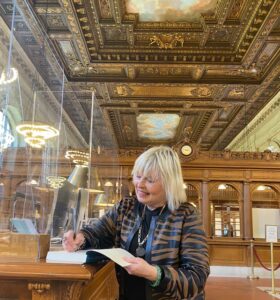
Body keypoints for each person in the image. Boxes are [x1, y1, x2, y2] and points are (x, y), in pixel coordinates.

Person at [63, 145, 209, 299]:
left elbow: (197, 277)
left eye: (150, 180)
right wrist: (80, 238)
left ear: (169, 183)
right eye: (138, 176)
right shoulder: (126, 207)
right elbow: (97, 232)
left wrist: (154, 274)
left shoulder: (186, 215)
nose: (140, 184)